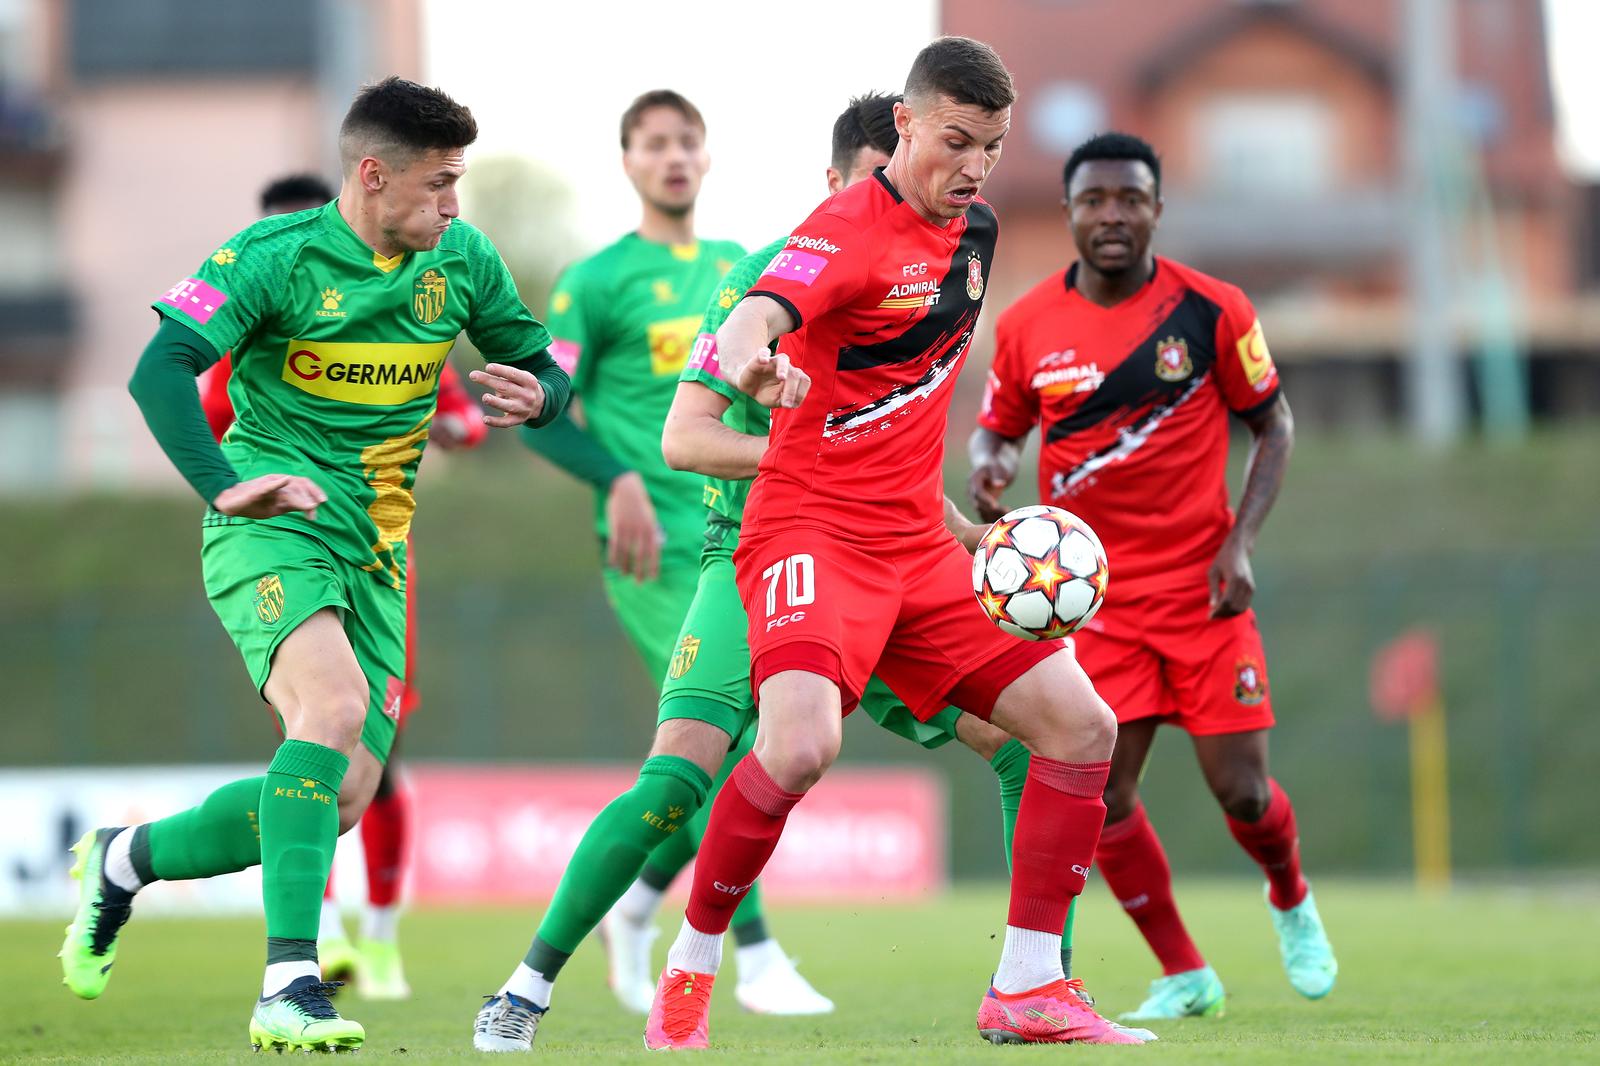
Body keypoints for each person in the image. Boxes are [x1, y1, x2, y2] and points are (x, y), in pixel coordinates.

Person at [641, 38, 1143, 1050]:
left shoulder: (979, 232)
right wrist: (755, 371)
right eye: (954, 141)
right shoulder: (843, 227)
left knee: (1082, 726)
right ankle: (691, 965)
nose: (971, 166)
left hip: (914, 544)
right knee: (797, 746)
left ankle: (1028, 984)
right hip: (810, 531)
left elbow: (904, 405)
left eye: (991, 149)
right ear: (905, 124)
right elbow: (753, 321)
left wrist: (957, 524)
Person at [61, 76, 569, 1053]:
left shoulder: (460, 260)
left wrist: (537, 396)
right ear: (373, 176)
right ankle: (290, 982)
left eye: (460, 183)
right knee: (329, 710)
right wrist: (221, 483)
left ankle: (125, 861)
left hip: (378, 551)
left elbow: (540, 361)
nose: (454, 205)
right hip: (271, 524)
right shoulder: (272, 257)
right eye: (439, 183)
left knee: (341, 795)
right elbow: (155, 370)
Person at [968, 131, 1337, 1021]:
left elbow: (1274, 424)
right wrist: (987, 467)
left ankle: (1288, 894)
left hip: (1205, 591)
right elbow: (997, 429)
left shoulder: (1211, 311)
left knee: (1242, 792)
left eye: (1130, 199)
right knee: (1108, 792)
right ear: (1069, 214)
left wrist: (1240, 541)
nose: (1112, 215)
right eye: (1093, 200)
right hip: (1092, 602)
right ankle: (1185, 971)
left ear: (1156, 210)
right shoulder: (1025, 328)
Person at [514, 90, 826, 1014]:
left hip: (754, 537)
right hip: (654, 549)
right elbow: (546, 406)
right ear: (627, 162)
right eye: (655, 145)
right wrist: (614, 479)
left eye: (688, 141)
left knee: (753, 744)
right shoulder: (595, 281)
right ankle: (756, 954)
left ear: (706, 155)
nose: (675, 158)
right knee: (719, 741)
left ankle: (640, 901)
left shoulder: (742, 269)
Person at [197, 171, 487, 1002]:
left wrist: (419, 408)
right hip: (284, 549)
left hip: (379, 557)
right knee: (317, 730)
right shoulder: (243, 338)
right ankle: (304, 952)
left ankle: (383, 938)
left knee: (370, 773)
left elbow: (465, 423)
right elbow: (210, 432)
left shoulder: (407, 316)